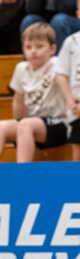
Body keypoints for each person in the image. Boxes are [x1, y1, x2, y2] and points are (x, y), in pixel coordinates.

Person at [0, 22, 70, 163]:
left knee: (25, 125)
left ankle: (23, 171)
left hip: (60, 123)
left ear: (52, 49)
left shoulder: (57, 65)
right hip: (34, 124)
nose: (33, 51)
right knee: (0, 126)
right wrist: (18, 124)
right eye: (28, 47)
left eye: (39, 47)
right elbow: (18, 99)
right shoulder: (21, 68)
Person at [55, 9, 80, 160]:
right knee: (77, 152)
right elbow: (61, 75)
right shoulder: (71, 42)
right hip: (77, 109)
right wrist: (71, 102)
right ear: (78, 13)